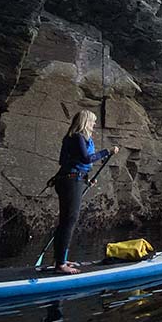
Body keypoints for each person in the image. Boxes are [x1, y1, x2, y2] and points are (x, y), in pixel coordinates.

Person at [52, 110, 120, 274]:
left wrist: (85, 179)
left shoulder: (74, 138)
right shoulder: (77, 137)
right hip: (70, 180)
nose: (94, 124)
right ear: (85, 121)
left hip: (73, 179)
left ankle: (60, 259)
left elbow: (69, 161)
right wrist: (107, 152)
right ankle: (60, 264)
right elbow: (85, 159)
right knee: (69, 221)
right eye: (92, 121)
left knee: (66, 221)